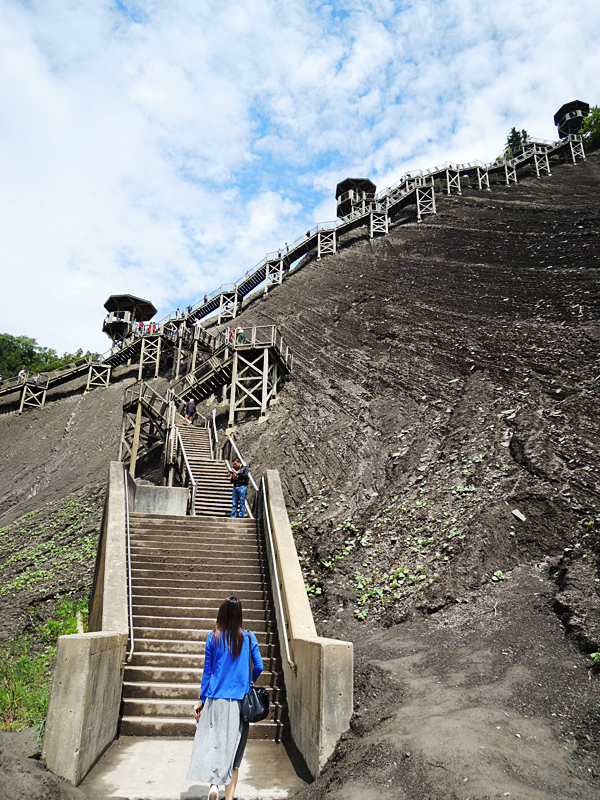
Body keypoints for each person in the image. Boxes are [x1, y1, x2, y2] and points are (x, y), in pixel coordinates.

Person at [187, 597, 263, 800]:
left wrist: (201, 699)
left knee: (215, 745)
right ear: (240, 614)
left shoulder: (213, 638)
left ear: (221, 614)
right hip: (239, 703)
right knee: (235, 755)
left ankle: (214, 784)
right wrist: (248, 683)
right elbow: (259, 666)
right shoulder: (248, 637)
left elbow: (208, 672)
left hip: (215, 700)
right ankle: (228, 798)